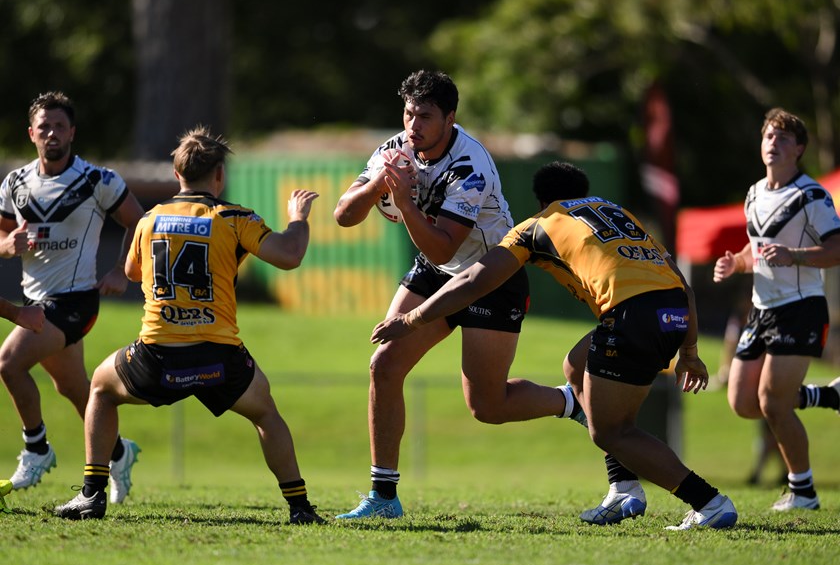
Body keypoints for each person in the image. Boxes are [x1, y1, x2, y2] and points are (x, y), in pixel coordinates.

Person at [372, 161, 737, 530]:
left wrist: (410, 320)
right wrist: (689, 352)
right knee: (577, 367)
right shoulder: (617, 213)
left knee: (612, 431)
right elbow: (684, 286)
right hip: (671, 310)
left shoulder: (537, 226)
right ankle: (624, 489)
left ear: (542, 200)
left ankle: (708, 502)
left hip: (632, 316)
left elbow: (473, 279)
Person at [333, 70, 582, 519]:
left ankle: (570, 401)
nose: (413, 126)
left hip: (493, 274)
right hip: (438, 269)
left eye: (425, 117)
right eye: (409, 114)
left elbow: (444, 242)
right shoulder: (395, 149)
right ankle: (383, 498)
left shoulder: (470, 167)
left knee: (487, 406)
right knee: (384, 365)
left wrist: (405, 202)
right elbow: (343, 216)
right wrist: (377, 186)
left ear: (450, 118)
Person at [54, 126, 324, 524]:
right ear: (219, 175)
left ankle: (92, 495)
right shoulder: (234, 217)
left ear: (176, 173)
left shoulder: (150, 219)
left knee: (100, 388)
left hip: (157, 355)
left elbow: (131, 272)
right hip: (218, 357)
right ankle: (300, 508)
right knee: (265, 414)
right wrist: (297, 218)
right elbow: (289, 255)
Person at [0, 91, 145, 502]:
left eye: (59, 126)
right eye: (43, 127)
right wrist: (8, 246)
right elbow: (2, 234)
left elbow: (139, 222)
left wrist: (122, 270)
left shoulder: (97, 180)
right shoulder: (15, 183)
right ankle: (118, 452)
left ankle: (37, 449)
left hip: (76, 300)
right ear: (31, 133)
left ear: (72, 132)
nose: (51, 133)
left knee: (8, 364)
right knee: (74, 390)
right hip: (35, 301)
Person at [713, 107, 840, 511]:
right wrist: (736, 262)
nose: (774, 143)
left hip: (801, 308)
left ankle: (803, 492)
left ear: (799, 149)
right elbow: (759, 249)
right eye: (770, 136)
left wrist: (796, 256)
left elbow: (836, 248)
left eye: (784, 138)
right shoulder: (754, 193)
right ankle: (826, 396)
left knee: (772, 403)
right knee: (743, 403)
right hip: (761, 309)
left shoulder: (811, 195)